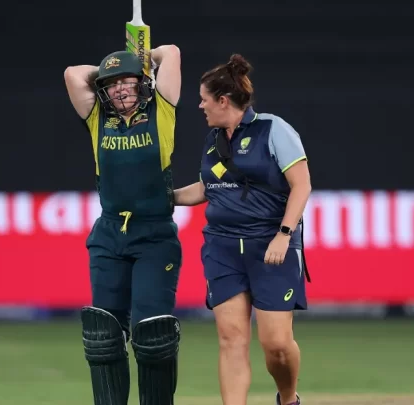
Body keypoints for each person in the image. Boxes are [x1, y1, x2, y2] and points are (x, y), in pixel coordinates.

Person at [173, 54, 312, 405]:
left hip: (270, 249)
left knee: (276, 345)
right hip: (222, 249)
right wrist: (165, 197)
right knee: (231, 338)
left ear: (223, 100)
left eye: (205, 98)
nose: (200, 105)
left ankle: (288, 398)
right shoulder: (213, 139)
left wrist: (284, 234)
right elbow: (208, 188)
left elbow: (302, 186)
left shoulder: (273, 129)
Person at [64, 44, 182, 405]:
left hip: (154, 235)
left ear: (143, 81)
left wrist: (145, 56)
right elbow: (72, 73)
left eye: (126, 81)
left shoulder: (161, 109)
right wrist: (112, 67)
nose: (119, 89)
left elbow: (172, 54)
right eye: (111, 84)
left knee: (153, 335)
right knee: (104, 334)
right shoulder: (98, 117)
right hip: (110, 235)